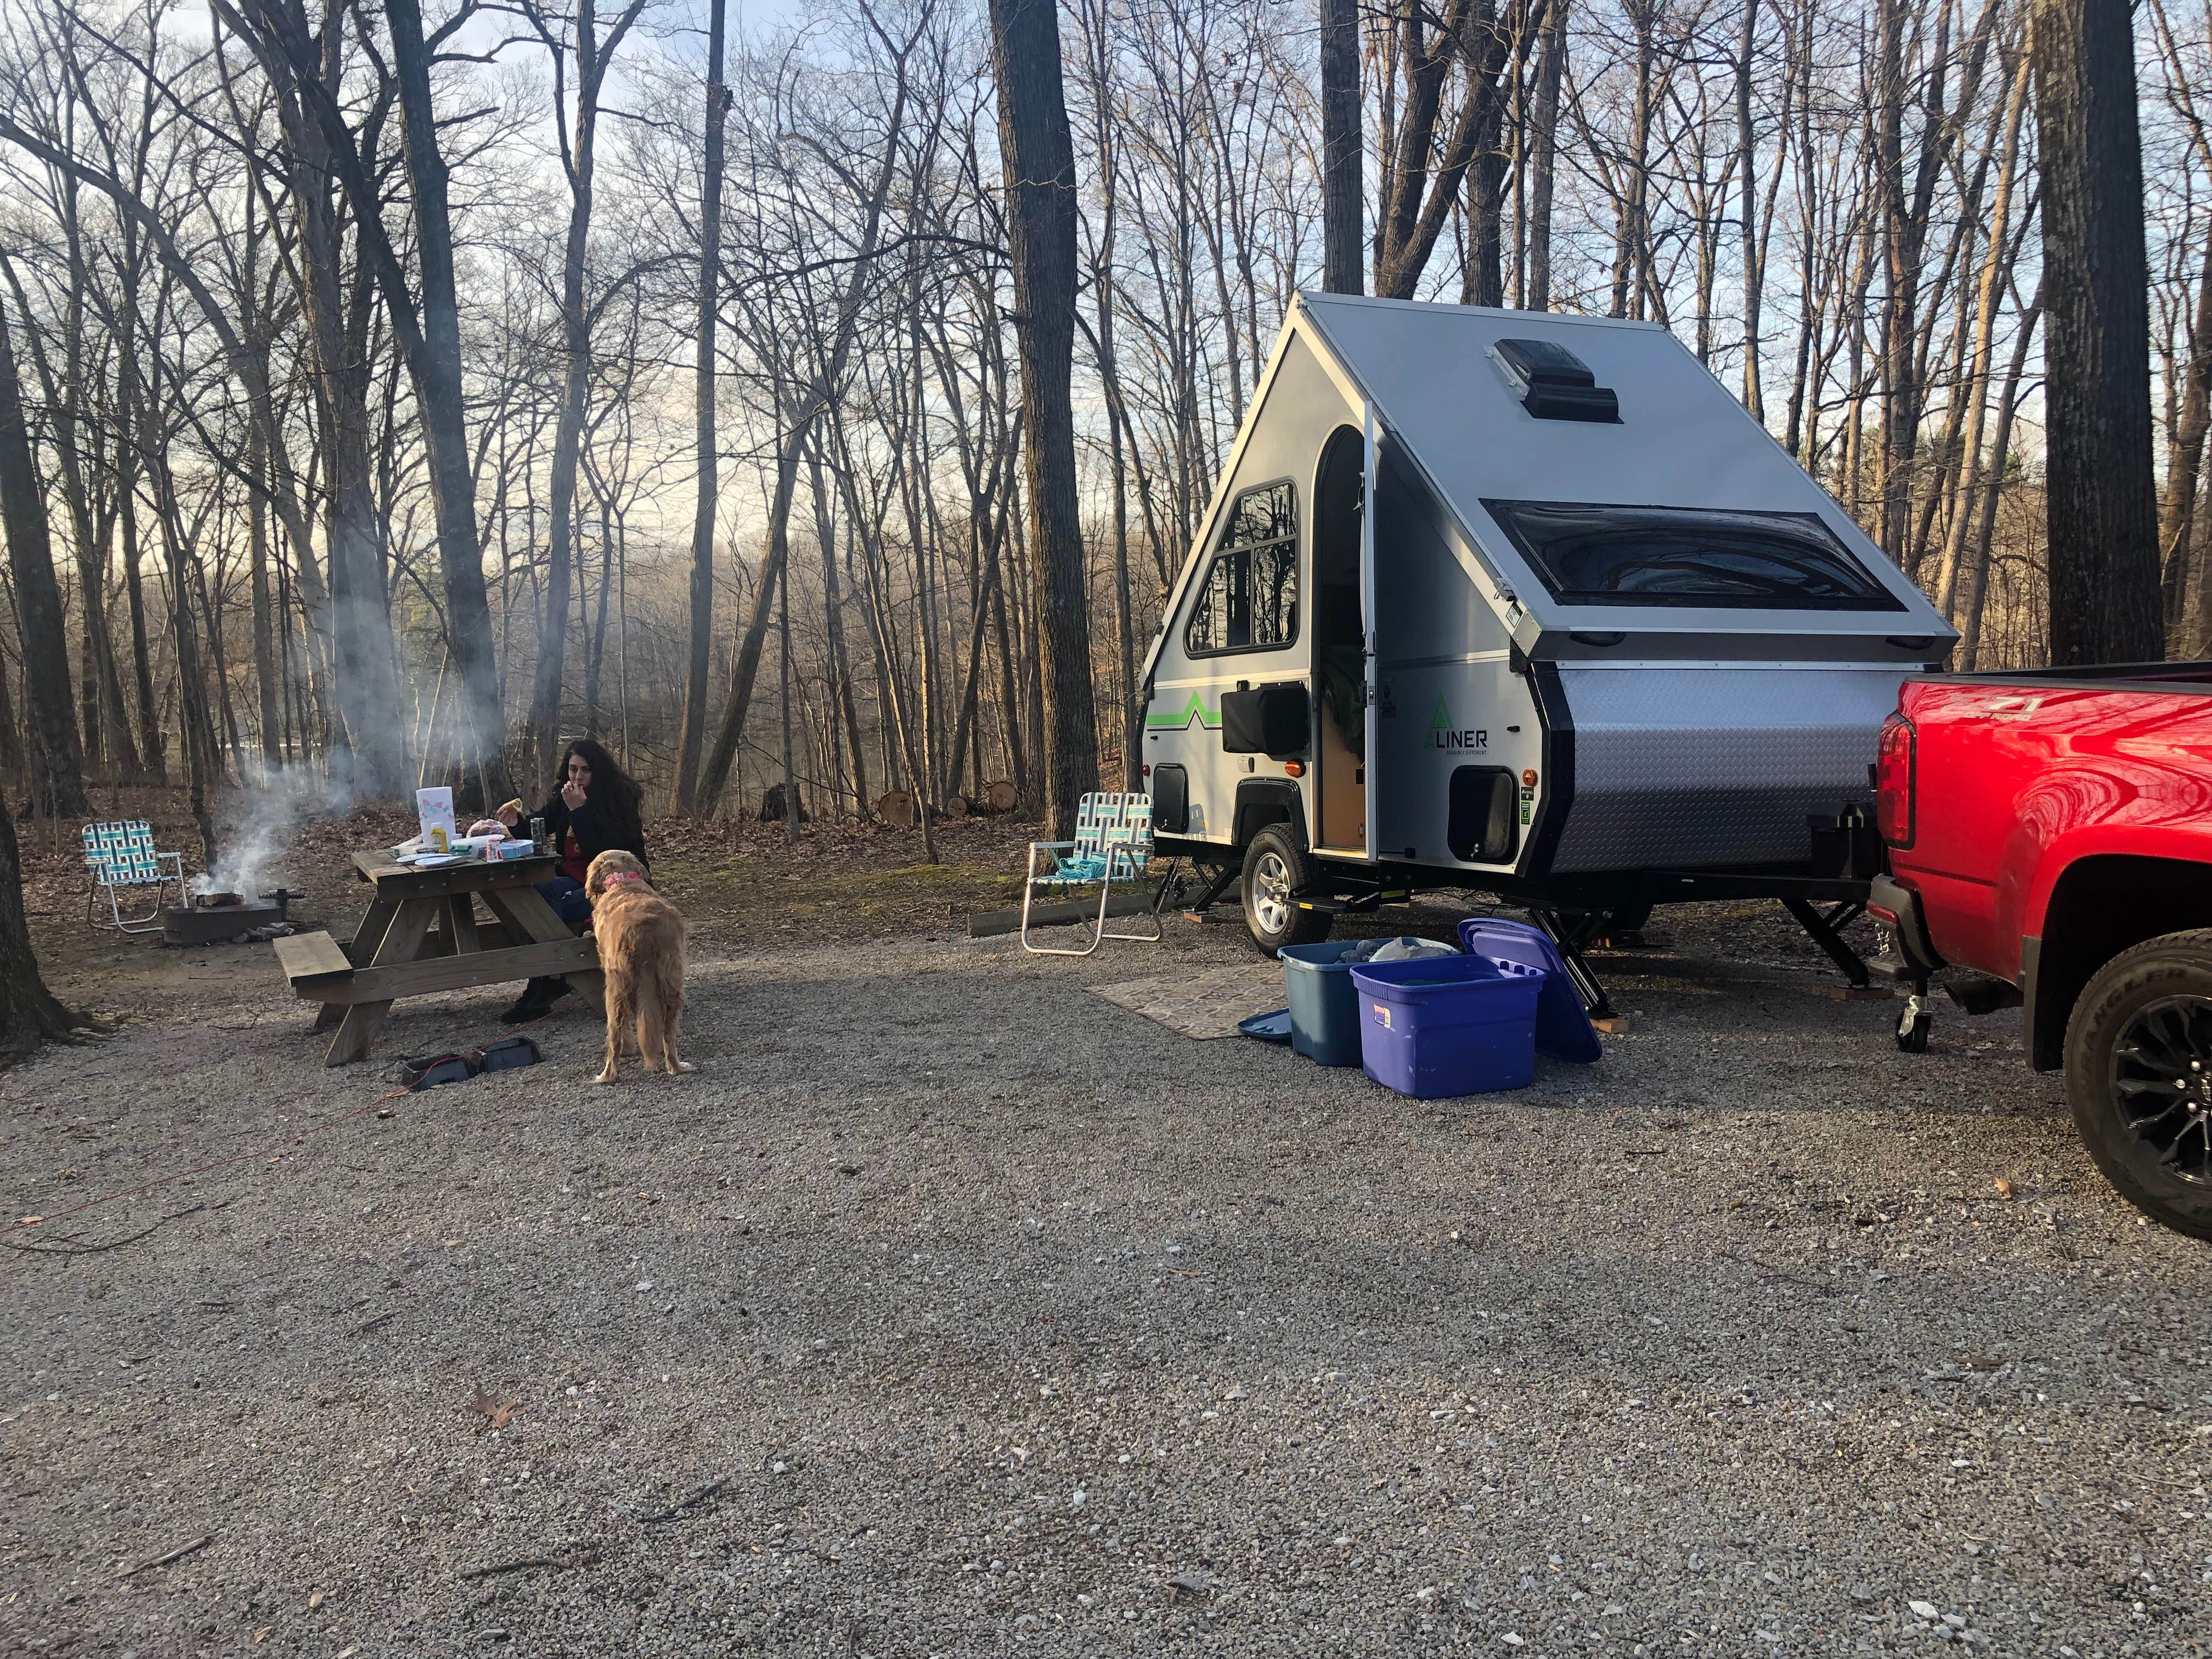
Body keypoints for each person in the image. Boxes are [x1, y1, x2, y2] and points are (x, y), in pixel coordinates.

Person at [497, 737, 648, 1023]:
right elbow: (539, 824)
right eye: (572, 769)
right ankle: (550, 977)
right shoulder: (566, 796)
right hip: (573, 881)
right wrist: (515, 822)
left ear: (599, 772)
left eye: (585, 770)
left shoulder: (618, 799)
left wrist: (580, 812)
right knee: (535, 896)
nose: (577, 777)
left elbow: (605, 857)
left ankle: (548, 980)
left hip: (615, 886)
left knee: (544, 912)